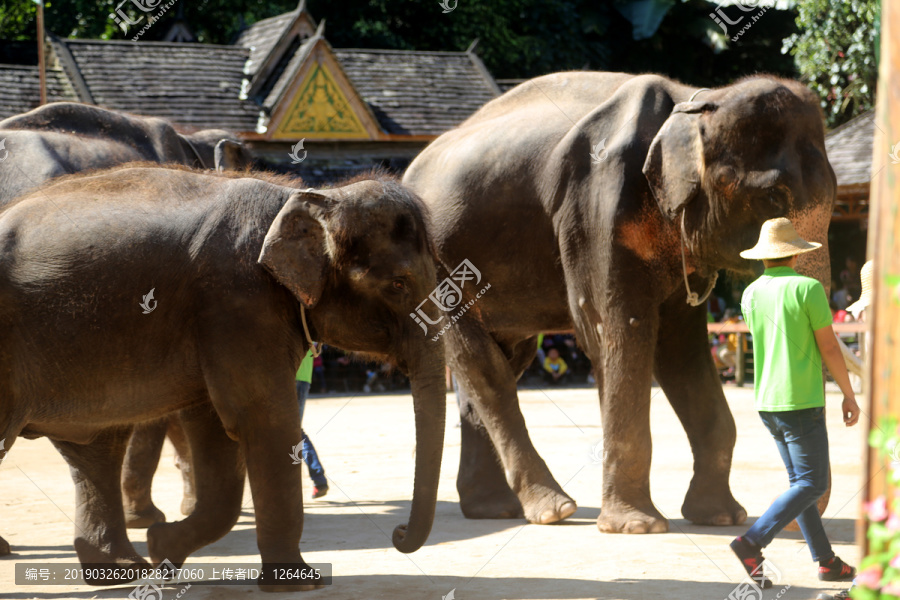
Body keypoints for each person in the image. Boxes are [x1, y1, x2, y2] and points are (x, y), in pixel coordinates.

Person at [731, 217, 860, 589]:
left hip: (768, 402)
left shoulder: (751, 293)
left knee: (799, 483)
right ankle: (752, 541)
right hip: (801, 401)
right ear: (795, 254)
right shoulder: (808, 288)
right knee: (812, 483)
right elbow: (830, 346)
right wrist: (849, 394)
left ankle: (826, 562)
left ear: (764, 256)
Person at [296, 349, 328, 499]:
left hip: (288, 377)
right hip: (303, 377)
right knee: (295, 432)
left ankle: (319, 479)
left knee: (294, 432)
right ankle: (319, 480)